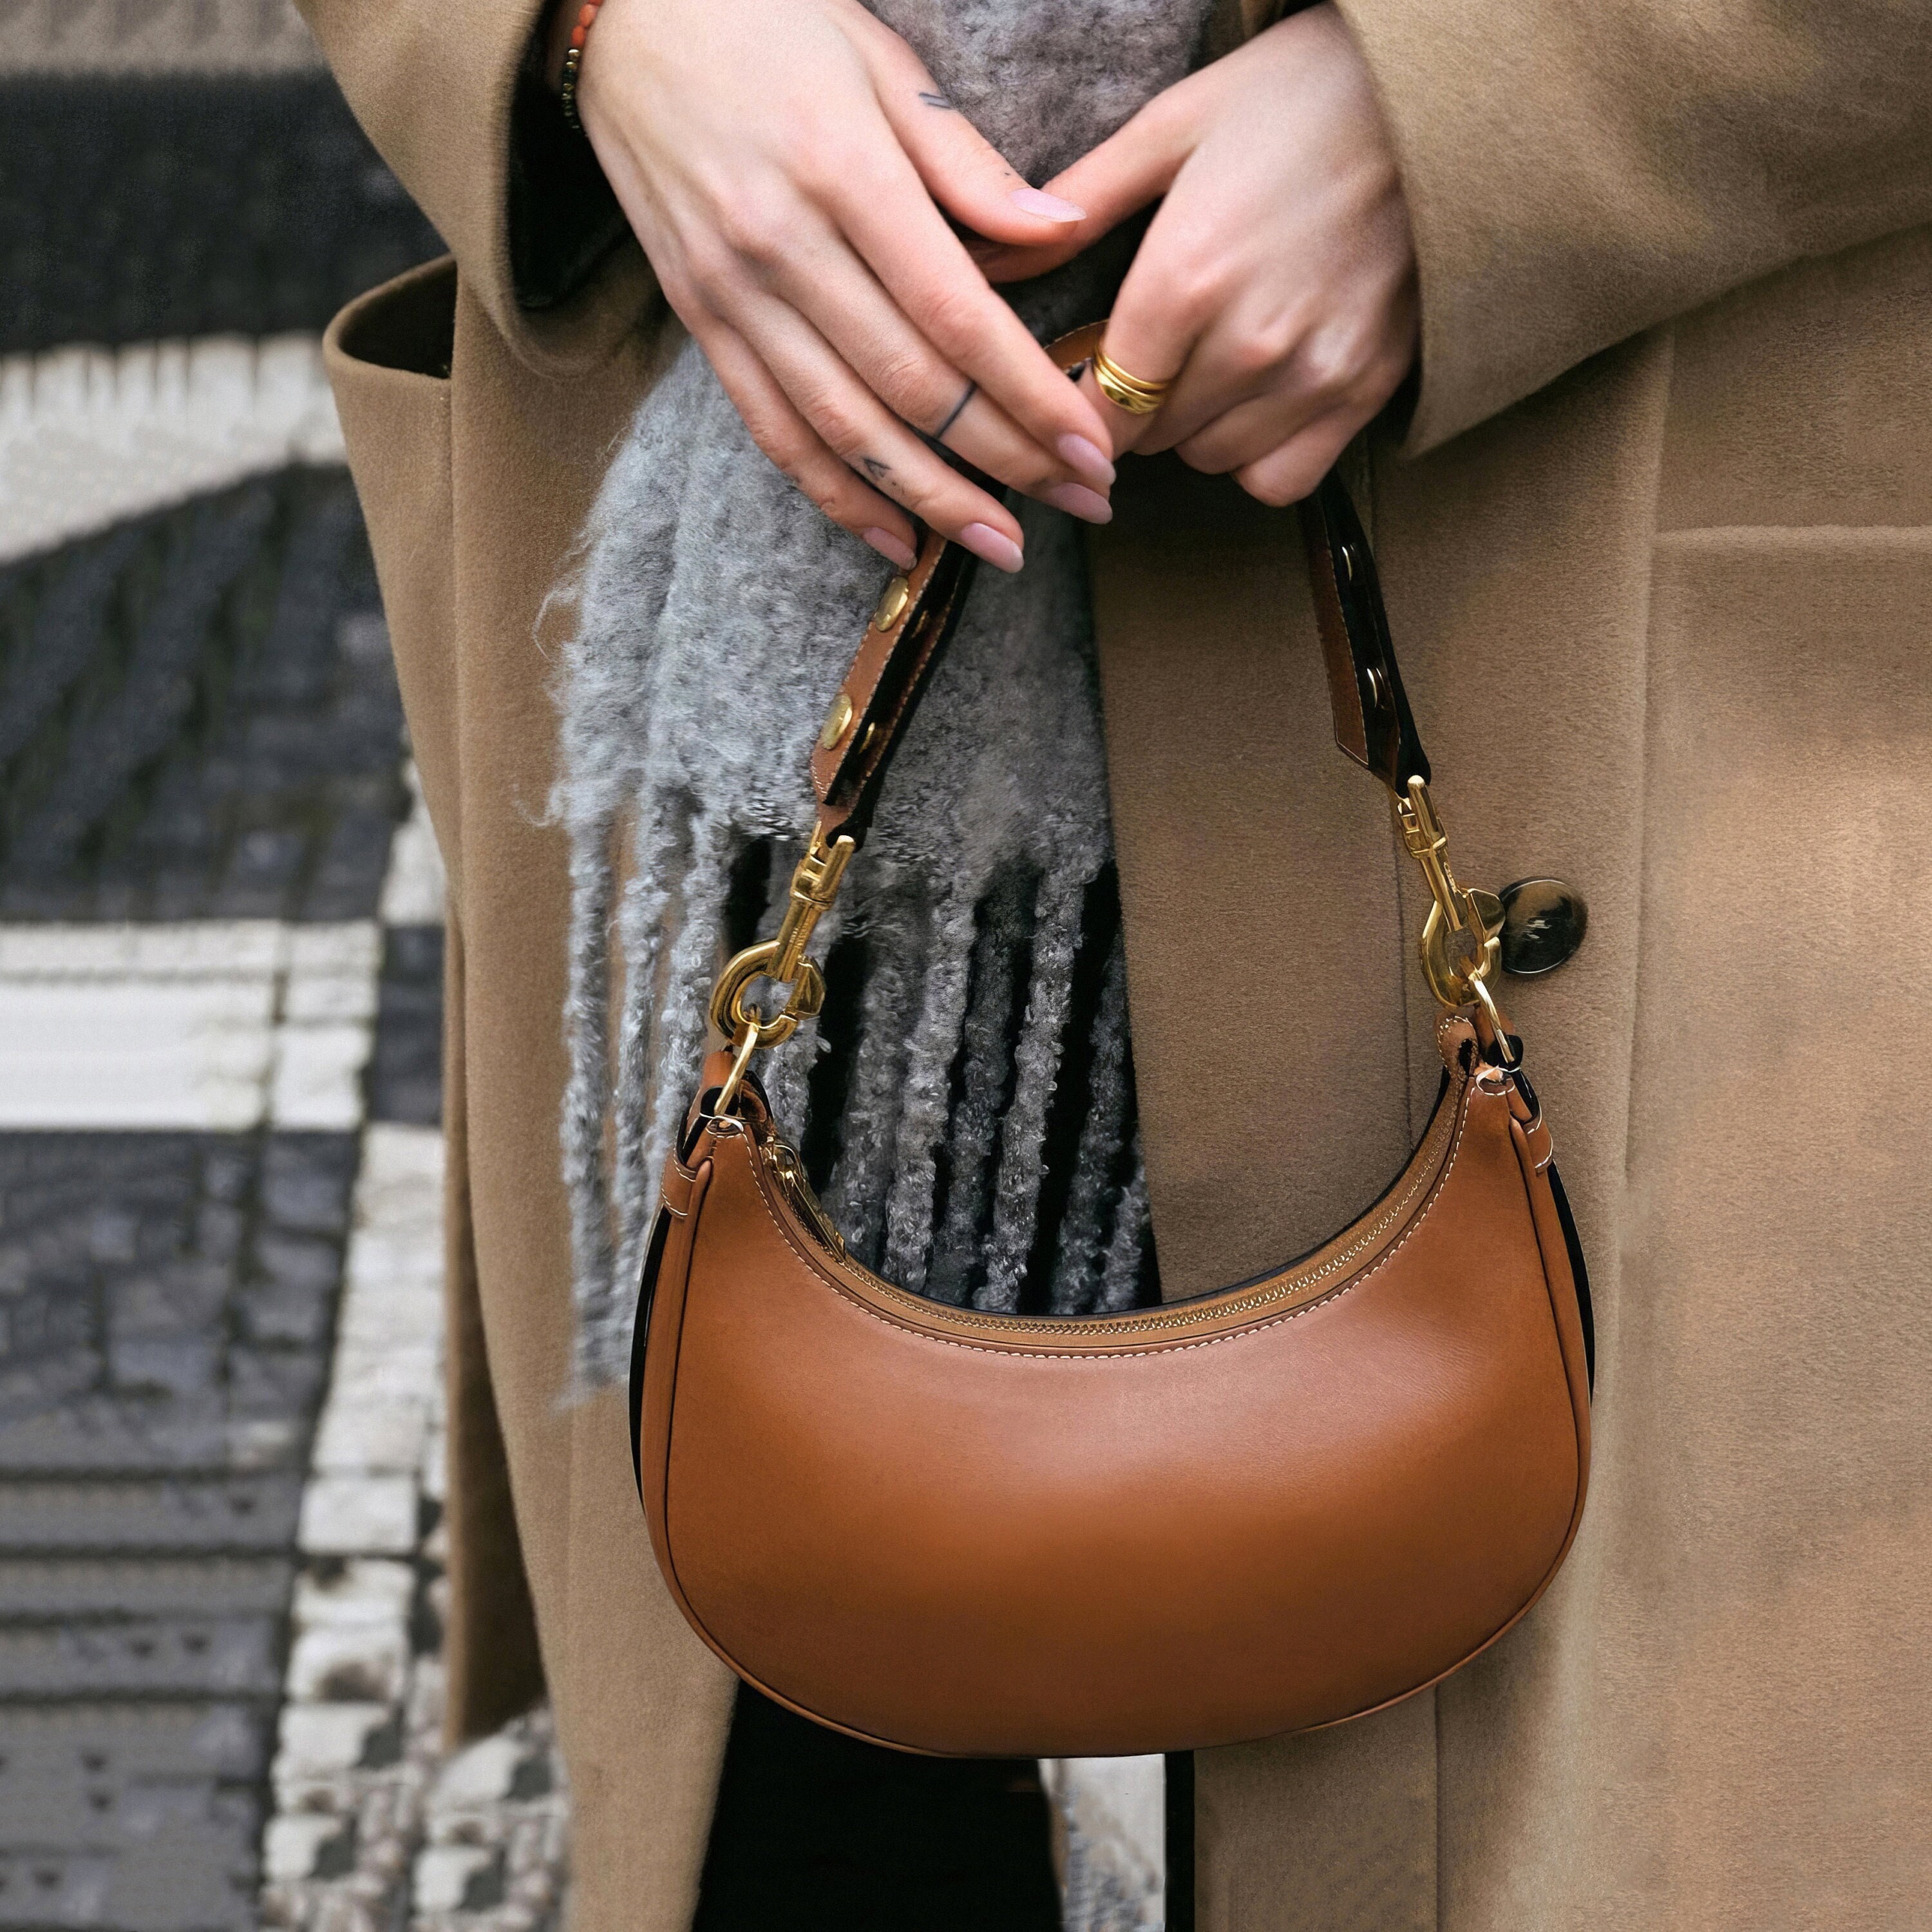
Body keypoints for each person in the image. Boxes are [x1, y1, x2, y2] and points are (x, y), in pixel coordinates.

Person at [303, 0, 1932, 1923]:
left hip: (1606, 555)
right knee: (799, 1811)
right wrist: (602, 34)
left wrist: (1498, 94)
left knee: (1589, 1813)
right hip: (754, 670)